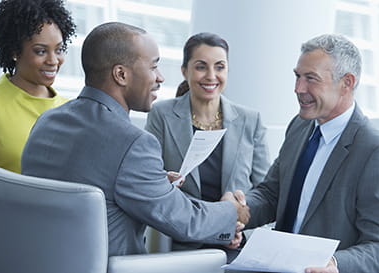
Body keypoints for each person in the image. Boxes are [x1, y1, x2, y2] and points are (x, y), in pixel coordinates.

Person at [21, 22, 250, 258]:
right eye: (154, 67)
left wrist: (154, 181)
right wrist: (232, 212)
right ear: (121, 75)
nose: (160, 77)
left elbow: (90, 173)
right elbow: (185, 221)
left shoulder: (46, 121)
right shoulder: (133, 143)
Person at [242, 34, 379, 273]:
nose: (298, 89)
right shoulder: (299, 126)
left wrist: (335, 264)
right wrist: (240, 210)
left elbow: (376, 245)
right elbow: (272, 194)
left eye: (311, 79)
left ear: (346, 83)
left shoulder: (372, 149)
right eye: (297, 76)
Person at [145, 32, 270, 261]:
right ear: (185, 70)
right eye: (201, 67)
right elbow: (149, 178)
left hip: (234, 245)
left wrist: (241, 231)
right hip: (182, 244)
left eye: (220, 67)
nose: (211, 76)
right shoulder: (161, 115)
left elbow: (265, 192)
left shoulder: (250, 120)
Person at [0, 0, 76, 173]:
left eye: (58, 50)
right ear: (15, 51)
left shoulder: (71, 109)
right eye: (41, 51)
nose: (53, 61)